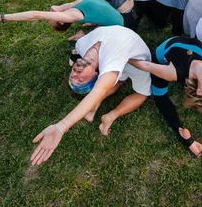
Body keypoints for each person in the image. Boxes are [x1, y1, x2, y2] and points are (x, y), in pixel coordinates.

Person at [30, 26, 152, 166]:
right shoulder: (110, 63)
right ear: (96, 75)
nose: (75, 75)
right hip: (137, 63)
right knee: (143, 93)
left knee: (120, 80)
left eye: (72, 76)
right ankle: (111, 115)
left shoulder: (81, 46)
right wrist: (61, 126)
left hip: (131, 54)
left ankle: (94, 105)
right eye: (81, 80)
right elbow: (99, 89)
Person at [0, 0, 124, 38]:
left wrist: (2, 17)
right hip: (118, 23)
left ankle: (83, 36)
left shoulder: (73, 10)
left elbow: (38, 14)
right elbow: (36, 15)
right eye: (51, 20)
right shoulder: (75, 9)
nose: (49, 16)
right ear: (61, 20)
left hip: (119, 26)